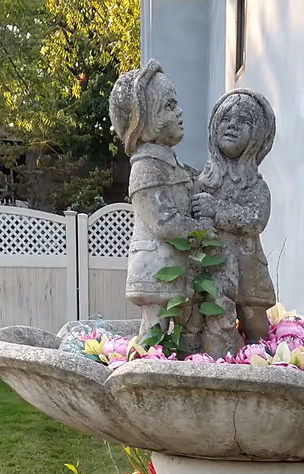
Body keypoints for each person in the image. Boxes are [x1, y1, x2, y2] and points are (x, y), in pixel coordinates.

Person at [108, 62, 213, 347]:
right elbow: (164, 221)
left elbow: (198, 186)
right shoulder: (146, 169)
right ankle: (142, 378)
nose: (179, 112)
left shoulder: (172, 164)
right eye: (169, 106)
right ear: (147, 120)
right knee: (153, 333)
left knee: (188, 333)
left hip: (178, 268)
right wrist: (202, 231)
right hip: (155, 270)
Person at [199, 88, 278, 353]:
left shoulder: (256, 186)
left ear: (257, 137)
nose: (232, 125)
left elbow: (256, 219)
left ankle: (263, 361)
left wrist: (217, 210)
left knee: (254, 320)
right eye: (225, 119)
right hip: (213, 264)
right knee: (210, 318)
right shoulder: (205, 181)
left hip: (248, 268)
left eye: (243, 120)